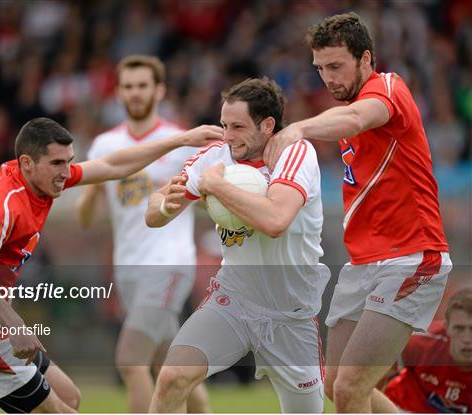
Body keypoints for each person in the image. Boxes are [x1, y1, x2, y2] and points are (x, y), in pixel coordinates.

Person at [0, 117, 221, 413]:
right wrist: (15, 324)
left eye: (69, 162)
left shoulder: (36, 180)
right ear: (27, 163)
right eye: (57, 163)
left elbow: (111, 166)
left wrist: (180, 140)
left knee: (69, 397)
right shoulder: (4, 205)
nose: (66, 172)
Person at [263, 12, 453, 413]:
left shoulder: (388, 88)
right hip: (364, 262)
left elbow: (354, 117)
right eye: (320, 69)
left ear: (366, 59)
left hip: (411, 256)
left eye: (336, 66)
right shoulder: (342, 111)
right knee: (337, 385)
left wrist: (298, 128)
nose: (328, 78)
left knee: (351, 387)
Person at [146, 77, 330, 413]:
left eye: (237, 127)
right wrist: (164, 206)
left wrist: (216, 185)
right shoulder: (217, 156)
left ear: (267, 125)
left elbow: (275, 221)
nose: (227, 136)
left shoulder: (297, 154)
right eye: (224, 125)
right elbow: (153, 211)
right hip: (233, 301)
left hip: (291, 314)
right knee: (172, 378)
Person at [76, 54, 209, 413]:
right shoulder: (105, 145)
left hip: (168, 262)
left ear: (159, 90)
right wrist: (91, 193)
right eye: (129, 87)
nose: (136, 93)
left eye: (143, 86)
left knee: (130, 359)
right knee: (166, 364)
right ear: (118, 93)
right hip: (128, 267)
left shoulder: (180, 140)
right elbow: (86, 217)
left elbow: (205, 199)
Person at [384, 289, 472, 413]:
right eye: (459, 328)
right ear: (447, 327)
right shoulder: (419, 343)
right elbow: (371, 379)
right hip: (402, 409)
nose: (467, 339)